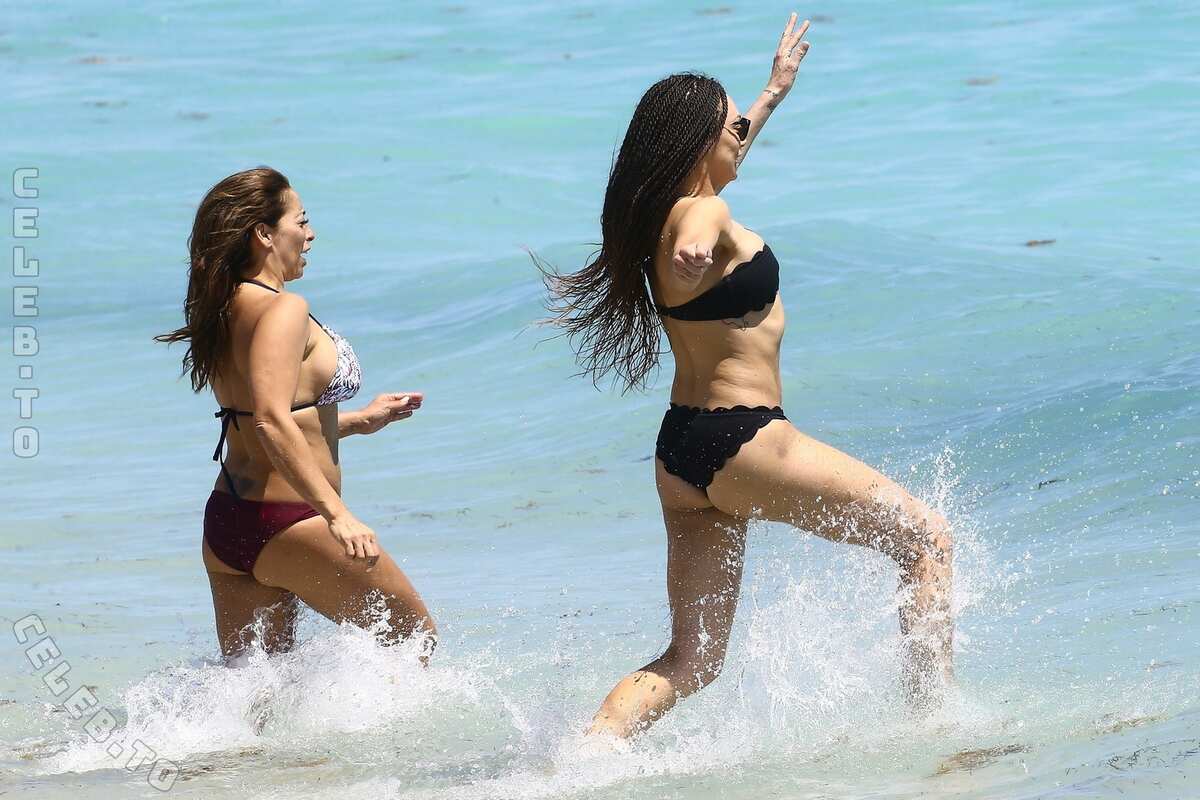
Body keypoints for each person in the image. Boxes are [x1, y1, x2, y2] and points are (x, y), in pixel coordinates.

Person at [540, 16, 953, 738]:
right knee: (927, 541)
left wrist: (771, 93)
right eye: (733, 125)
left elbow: (718, 171)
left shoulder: (654, 217)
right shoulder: (702, 213)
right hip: (749, 438)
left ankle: (592, 753)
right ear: (701, 141)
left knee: (693, 660)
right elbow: (706, 218)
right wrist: (698, 251)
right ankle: (936, 732)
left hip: (681, 451)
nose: (742, 134)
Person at [157, 167, 435, 658]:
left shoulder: (221, 306)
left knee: (258, 690)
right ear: (264, 234)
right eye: (301, 221)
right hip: (290, 521)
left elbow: (255, 420)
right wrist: (338, 516)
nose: (310, 234)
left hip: (228, 521)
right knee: (415, 642)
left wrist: (359, 421)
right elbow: (271, 419)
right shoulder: (283, 309)